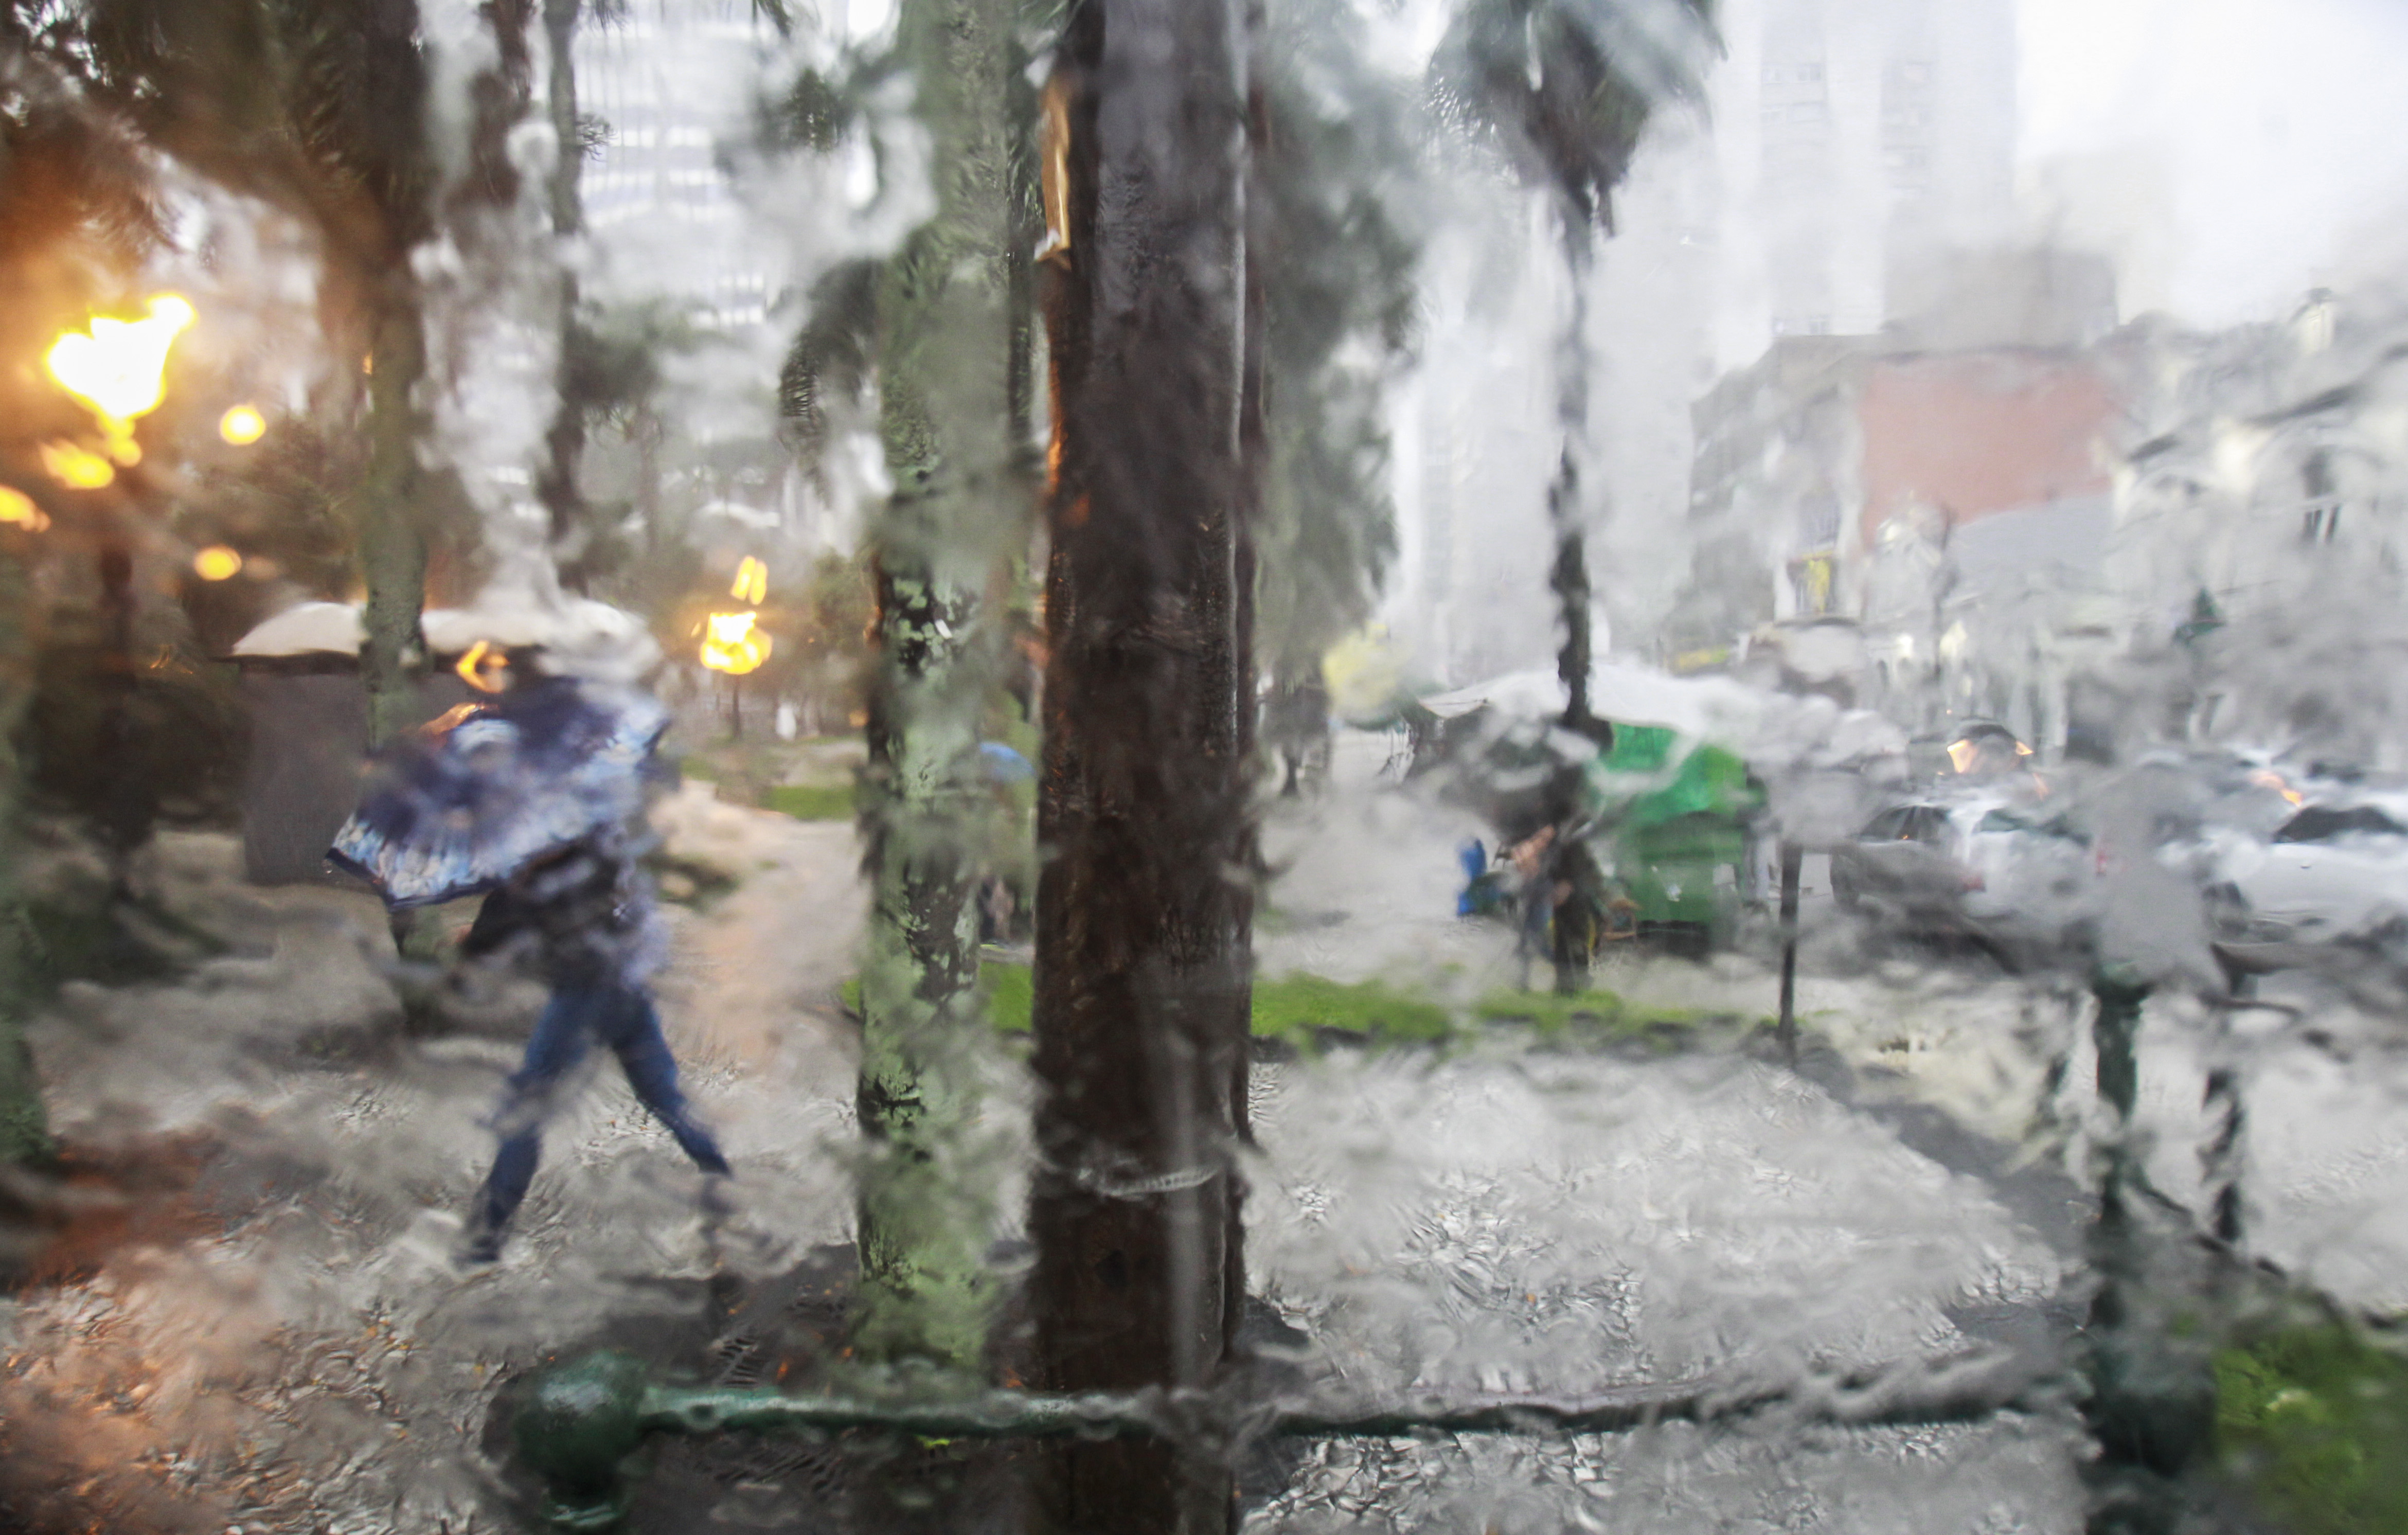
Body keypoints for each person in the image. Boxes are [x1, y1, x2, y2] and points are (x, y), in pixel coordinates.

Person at [448, 657, 730, 1267]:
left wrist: (473, 945)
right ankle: (723, 1184)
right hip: (620, 975)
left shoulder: (538, 824)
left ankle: (484, 1241)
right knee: (663, 1093)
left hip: (585, 987)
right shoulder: (587, 809)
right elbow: (548, 894)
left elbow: (520, 899)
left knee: (524, 1110)